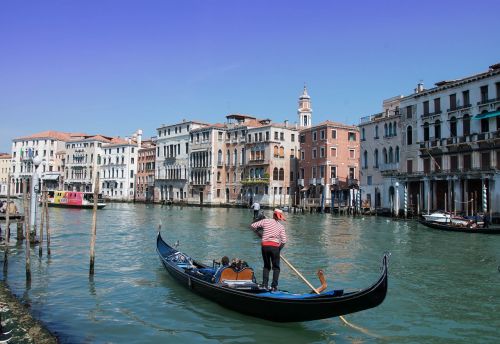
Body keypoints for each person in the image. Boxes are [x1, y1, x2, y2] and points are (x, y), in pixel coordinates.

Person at [249, 209, 287, 291]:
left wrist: (259, 234)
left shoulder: (265, 221)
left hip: (265, 246)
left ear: (273, 215)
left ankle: (264, 285)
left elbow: (252, 226)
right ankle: (274, 287)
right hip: (275, 247)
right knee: (276, 268)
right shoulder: (281, 227)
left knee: (266, 266)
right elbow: (284, 241)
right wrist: (278, 250)